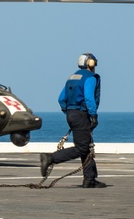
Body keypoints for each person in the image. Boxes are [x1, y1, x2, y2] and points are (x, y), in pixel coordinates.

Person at [40, 53, 107, 188]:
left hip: (71, 114)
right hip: (82, 114)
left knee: (86, 145)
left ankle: (90, 179)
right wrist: (93, 115)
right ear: (90, 63)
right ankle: (51, 158)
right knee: (82, 147)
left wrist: (69, 111)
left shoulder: (72, 77)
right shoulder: (90, 78)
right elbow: (89, 98)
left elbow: (61, 98)